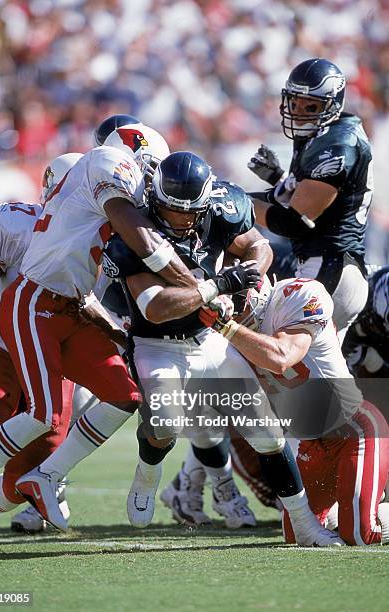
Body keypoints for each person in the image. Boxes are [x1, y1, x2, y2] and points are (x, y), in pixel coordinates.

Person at [92, 151, 342, 545]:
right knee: (166, 426)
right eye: (171, 210)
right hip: (156, 344)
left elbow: (260, 248)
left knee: (268, 435)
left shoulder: (221, 211)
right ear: (156, 201)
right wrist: (217, 286)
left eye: (188, 212)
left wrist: (249, 276)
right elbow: (156, 308)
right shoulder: (134, 233)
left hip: (211, 339)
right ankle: (148, 471)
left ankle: (306, 526)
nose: (179, 220)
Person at [0, 123, 183, 531]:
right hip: (25, 316)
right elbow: (144, 242)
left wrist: (116, 332)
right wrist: (197, 285)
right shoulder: (106, 171)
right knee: (37, 414)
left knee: (117, 397)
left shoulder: (101, 213)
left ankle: (41, 481)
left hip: (68, 314)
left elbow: (92, 290)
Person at [196, 275, 389, 545]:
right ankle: (352, 507)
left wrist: (226, 328)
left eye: (239, 301)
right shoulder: (225, 337)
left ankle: (363, 511)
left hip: (352, 430)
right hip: (311, 445)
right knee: (297, 534)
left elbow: (281, 358)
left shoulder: (296, 295)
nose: (234, 310)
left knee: (359, 534)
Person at [0, 154, 82, 531]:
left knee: (47, 444)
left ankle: (23, 493)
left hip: (60, 355)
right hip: (9, 350)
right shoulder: (19, 223)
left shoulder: (102, 233)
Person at [248, 58, 372, 344]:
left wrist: (236, 203)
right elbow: (294, 199)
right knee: (324, 379)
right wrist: (279, 180)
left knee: (274, 360)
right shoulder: (323, 135)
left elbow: (294, 221)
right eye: (296, 103)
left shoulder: (337, 145)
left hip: (329, 267)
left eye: (311, 106)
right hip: (333, 267)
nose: (301, 112)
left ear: (332, 104)